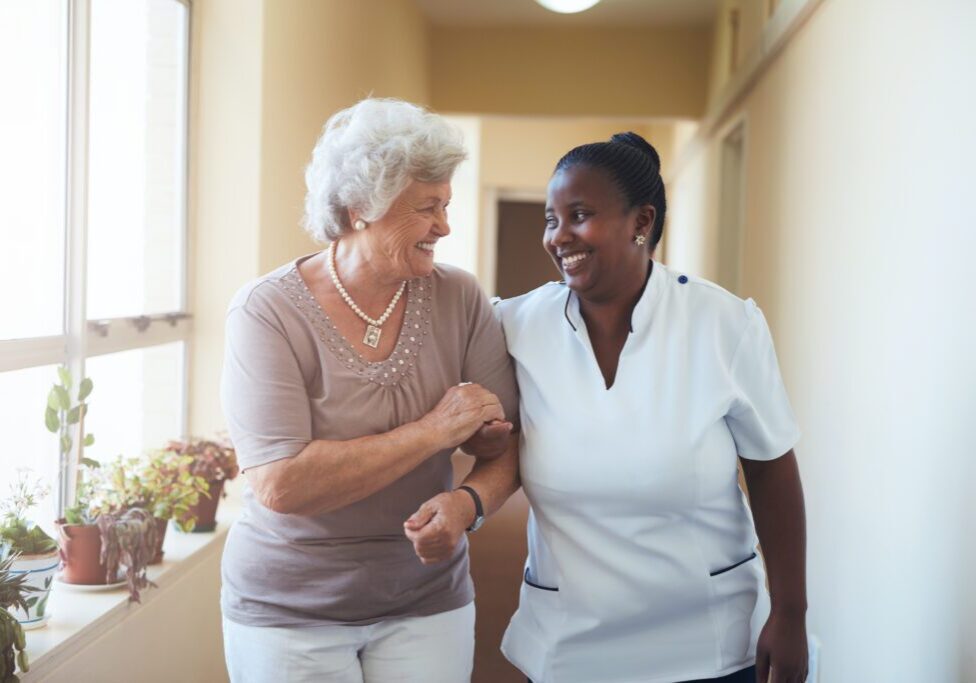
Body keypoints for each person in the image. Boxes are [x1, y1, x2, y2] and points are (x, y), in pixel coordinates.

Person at [407, 132, 809, 683]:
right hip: (569, 643)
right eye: (551, 219)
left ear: (641, 222)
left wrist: (790, 613)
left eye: (580, 215)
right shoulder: (514, 325)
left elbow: (771, 469)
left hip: (708, 640)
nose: (559, 236)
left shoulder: (723, 324)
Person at [219, 98, 518, 683]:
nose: (445, 226)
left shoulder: (460, 297)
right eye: (427, 207)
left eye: (447, 205)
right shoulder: (267, 311)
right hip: (288, 610)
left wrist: (468, 502)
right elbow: (282, 484)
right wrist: (435, 431)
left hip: (427, 598)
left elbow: (504, 447)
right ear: (360, 208)